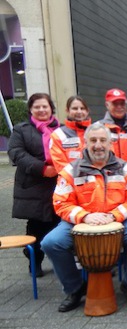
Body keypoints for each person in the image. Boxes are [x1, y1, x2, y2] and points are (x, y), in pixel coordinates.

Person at [41, 123, 127, 312]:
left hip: (117, 220)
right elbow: (61, 202)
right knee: (51, 243)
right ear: (85, 143)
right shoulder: (69, 171)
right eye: (93, 140)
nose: (98, 145)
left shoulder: (126, 169)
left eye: (102, 140)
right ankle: (74, 288)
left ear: (110, 144)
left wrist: (113, 216)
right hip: (77, 222)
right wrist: (84, 217)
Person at [8, 93, 61, 277]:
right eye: (37, 106)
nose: (41, 110)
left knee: (57, 224)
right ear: (30, 109)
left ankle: (59, 261)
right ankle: (34, 261)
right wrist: (41, 168)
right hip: (33, 185)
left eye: (44, 106)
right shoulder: (21, 129)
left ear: (51, 108)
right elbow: (16, 153)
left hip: (58, 185)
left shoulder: (60, 129)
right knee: (37, 227)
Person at [96, 88, 127, 170]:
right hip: (110, 177)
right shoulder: (98, 128)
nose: (119, 107)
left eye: (122, 104)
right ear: (107, 105)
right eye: (115, 104)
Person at [50, 95, 91, 172]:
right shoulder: (58, 135)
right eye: (75, 108)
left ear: (87, 111)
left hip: (95, 181)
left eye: (82, 108)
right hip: (69, 181)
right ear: (67, 110)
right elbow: (59, 164)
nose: (79, 111)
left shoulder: (97, 131)